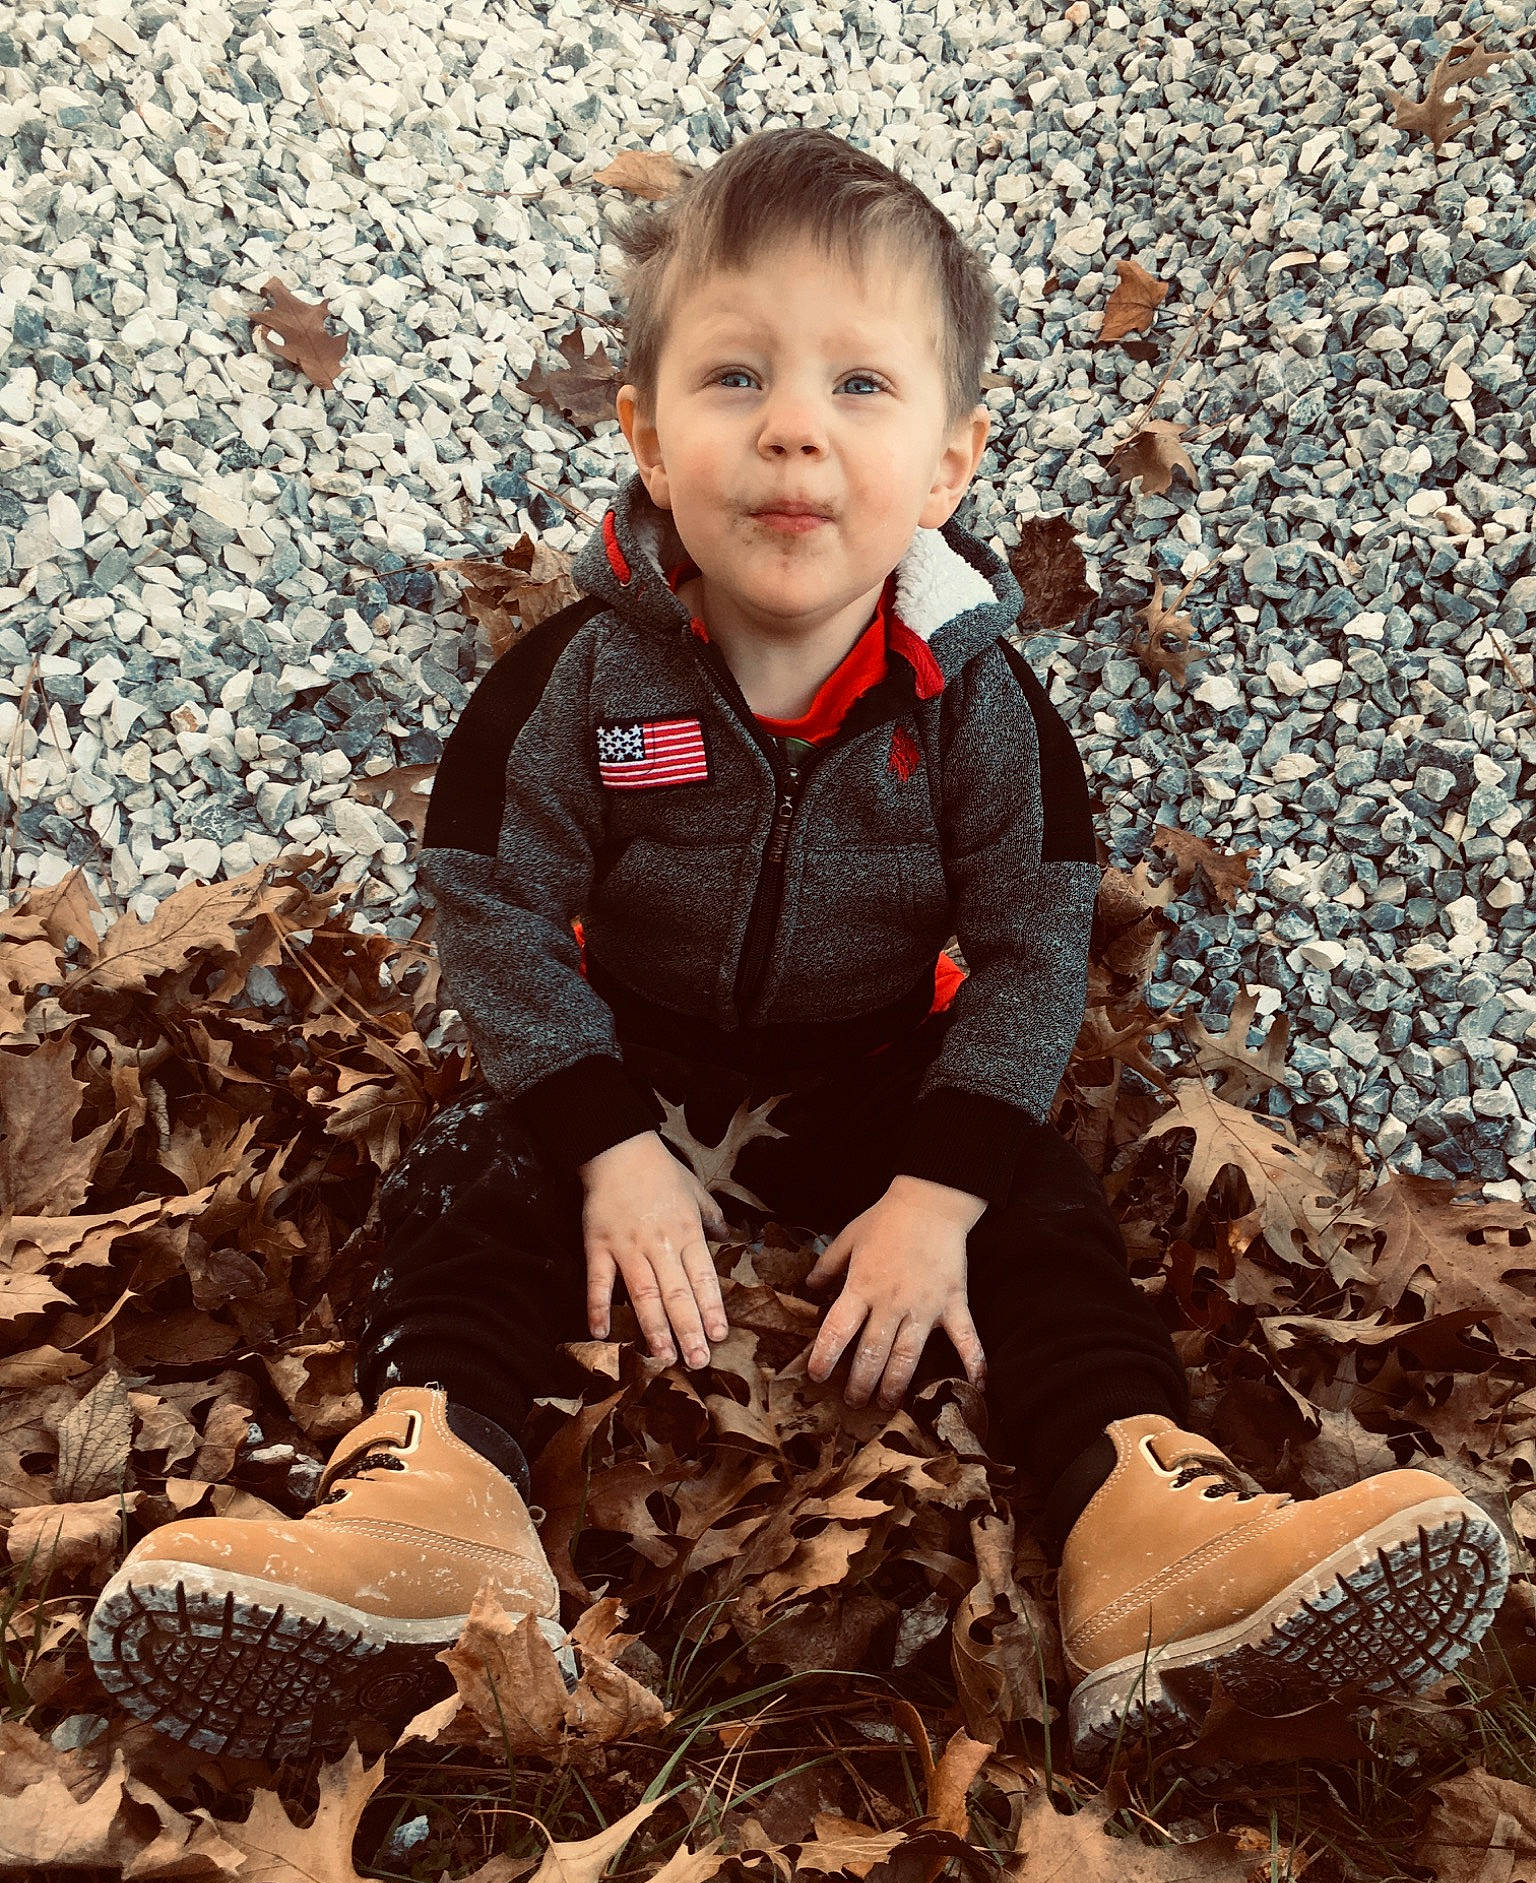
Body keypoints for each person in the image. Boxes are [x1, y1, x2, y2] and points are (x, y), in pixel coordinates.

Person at [87, 129, 1508, 1768]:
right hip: (632, 1058)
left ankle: (1153, 1531)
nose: (791, 431)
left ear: (953, 464)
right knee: (469, 1185)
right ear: (644, 428)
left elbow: (1038, 950)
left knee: (1047, 1217)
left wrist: (939, 1193)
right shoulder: (579, 681)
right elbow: (486, 896)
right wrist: (604, 1140)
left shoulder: (975, 701)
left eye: (860, 388)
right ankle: (430, 1506)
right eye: (738, 375)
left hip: (877, 1074)